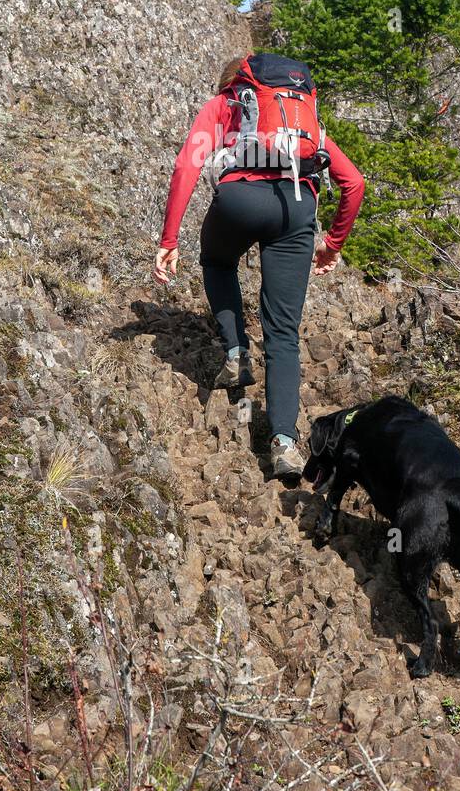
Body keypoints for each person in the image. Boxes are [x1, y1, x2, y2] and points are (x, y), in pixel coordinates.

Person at [153, 54, 365, 482]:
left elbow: (186, 164)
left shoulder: (227, 103)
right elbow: (354, 183)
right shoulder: (302, 119)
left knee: (216, 260)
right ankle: (284, 444)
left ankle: (235, 353)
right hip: (296, 210)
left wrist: (169, 240)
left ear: (233, 84)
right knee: (283, 332)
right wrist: (332, 245)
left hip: (240, 201)